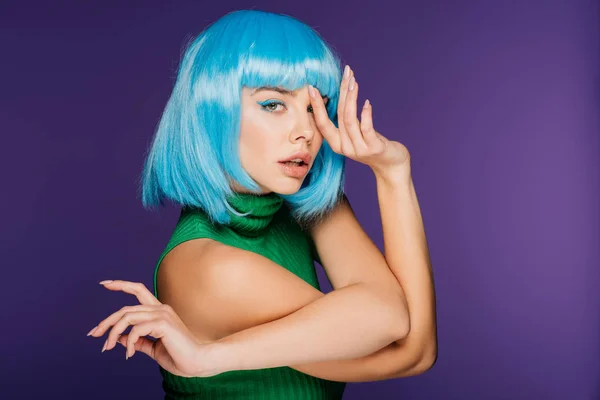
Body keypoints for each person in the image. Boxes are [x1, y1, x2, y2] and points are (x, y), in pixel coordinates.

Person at [87, 9, 437, 399]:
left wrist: (393, 171)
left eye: (314, 108)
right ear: (212, 111)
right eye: (274, 104)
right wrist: (205, 358)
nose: (305, 132)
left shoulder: (299, 204)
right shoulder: (213, 268)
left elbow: (418, 347)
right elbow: (401, 339)